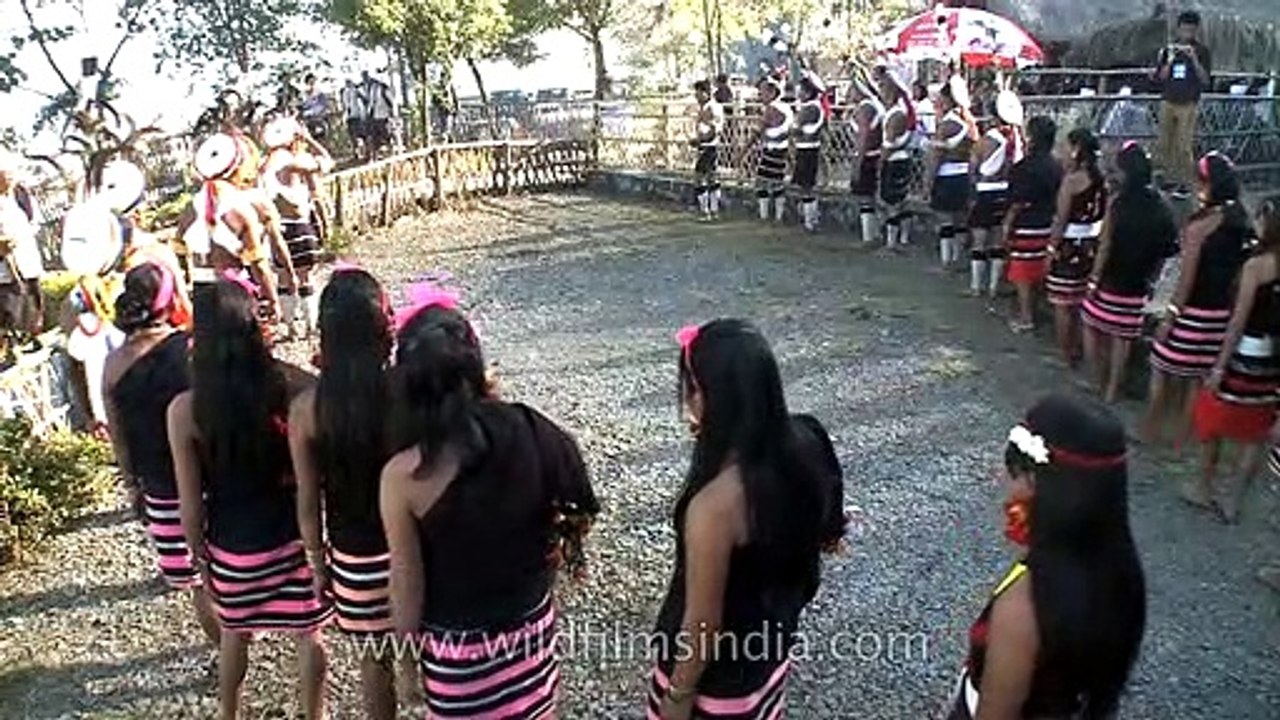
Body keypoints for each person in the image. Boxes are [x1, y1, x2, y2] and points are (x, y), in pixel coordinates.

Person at [379, 296, 598, 719]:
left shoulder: (404, 476)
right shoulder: (533, 427)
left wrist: (406, 664)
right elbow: (576, 507)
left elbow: (407, 582)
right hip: (532, 633)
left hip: (458, 661)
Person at [648, 319, 845, 720]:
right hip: (769, 657)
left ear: (706, 395)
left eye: (692, 389)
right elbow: (829, 527)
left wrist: (678, 696)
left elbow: (703, 622)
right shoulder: (807, 437)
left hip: (716, 689)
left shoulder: (715, 507)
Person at [168, 277, 332, 720]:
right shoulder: (290, 385)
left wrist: (199, 555)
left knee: (234, 637)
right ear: (253, 325)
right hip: (293, 535)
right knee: (309, 635)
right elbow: (326, 405)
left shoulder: (186, 409)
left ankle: (230, 713)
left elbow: (190, 498)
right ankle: (313, 714)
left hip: (232, 546)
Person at [947, 394, 1146, 720]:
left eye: (1011, 470)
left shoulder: (1024, 605)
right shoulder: (1120, 571)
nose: (1001, 478)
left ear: (1033, 482)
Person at [289, 267, 399, 718]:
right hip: (421, 548)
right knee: (442, 655)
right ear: (382, 328)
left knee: (375, 662)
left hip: (355, 559)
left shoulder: (306, 408)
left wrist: (318, 563)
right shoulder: (406, 390)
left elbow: (307, 499)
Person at [103, 262, 220, 646]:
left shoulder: (113, 364)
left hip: (162, 489)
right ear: (170, 298)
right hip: (216, 479)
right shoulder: (191, 347)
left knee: (197, 581)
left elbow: (119, 438)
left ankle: (225, 651)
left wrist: (132, 486)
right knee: (231, 564)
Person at [1145, 152, 1251, 450]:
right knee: (1195, 379)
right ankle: (1182, 439)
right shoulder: (1241, 220)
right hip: (1221, 316)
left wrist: (1170, 316)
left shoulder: (1199, 227)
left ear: (1208, 184)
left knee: (1161, 368)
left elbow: (1186, 278)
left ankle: (1151, 430)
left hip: (1192, 313)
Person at [1190, 200, 1280, 523]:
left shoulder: (1255, 267)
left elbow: (1237, 322)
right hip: (1272, 362)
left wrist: (1218, 366)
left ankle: (1203, 487)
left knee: (1212, 419)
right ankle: (1234, 501)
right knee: (1255, 432)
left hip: (1244, 355)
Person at [1082, 143, 1178, 403]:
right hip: (1138, 282)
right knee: (1122, 338)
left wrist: (1093, 280)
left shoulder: (1118, 203)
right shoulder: (1162, 207)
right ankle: (1112, 388)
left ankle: (1097, 379)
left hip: (1110, 278)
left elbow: (1105, 245)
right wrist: (1153, 280)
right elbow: (1166, 252)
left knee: (1092, 325)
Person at [179, 133, 287, 318]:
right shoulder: (240, 210)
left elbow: (180, 251)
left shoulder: (189, 210)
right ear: (238, 168)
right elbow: (258, 264)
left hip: (202, 295)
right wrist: (272, 300)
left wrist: (189, 281)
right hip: (234, 293)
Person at [261, 118, 333, 339]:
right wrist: (310, 140)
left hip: (276, 227)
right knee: (305, 277)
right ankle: (310, 326)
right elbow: (327, 163)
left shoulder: (264, 164)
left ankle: (291, 327)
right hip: (298, 225)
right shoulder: (292, 162)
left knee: (284, 277)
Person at [1046, 128, 1108, 366]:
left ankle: (1066, 353)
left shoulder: (1071, 181)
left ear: (1075, 150)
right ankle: (1084, 350)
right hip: (1092, 243)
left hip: (1069, 245)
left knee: (1063, 304)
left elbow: (1061, 219)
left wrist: (1051, 248)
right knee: (1084, 301)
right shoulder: (1102, 179)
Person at [1003, 116, 1062, 333]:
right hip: (1049, 224)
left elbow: (1017, 202)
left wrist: (1007, 226)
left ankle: (1026, 317)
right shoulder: (1058, 167)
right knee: (1038, 271)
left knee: (1022, 273)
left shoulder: (1022, 168)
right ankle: (1032, 312)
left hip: (1026, 224)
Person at [967, 90, 1023, 300]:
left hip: (986, 193)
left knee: (979, 241)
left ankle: (976, 287)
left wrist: (972, 193)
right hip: (1007, 192)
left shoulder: (984, 142)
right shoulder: (1018, 140)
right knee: (998, 243)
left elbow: (972, 170)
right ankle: (992, 288)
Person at [1154, 10, 1212, 194]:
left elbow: (1205, 80)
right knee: (1164, 142)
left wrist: (1194, 58)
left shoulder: (1202, 51)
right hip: (1168, 101)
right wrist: (1170, 60)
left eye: (1191, 30)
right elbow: (1160, 77)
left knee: (1184, 145)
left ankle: (1185, 183)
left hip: (1188, 103)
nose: (1187, 33)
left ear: (1196, 30)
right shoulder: (1167, 50)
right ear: (1178, 29)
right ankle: (1166, 179)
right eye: (1184, 29)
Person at [928, 76, 977, 271]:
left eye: (939, 98)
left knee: (945, 219)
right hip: (964, 175)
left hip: (947, 176)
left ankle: (947, 260)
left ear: (947, 100)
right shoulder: (969, 123)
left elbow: (936, 158)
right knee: (960, 219)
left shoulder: (947, 125)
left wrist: (928, 181)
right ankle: (957, 259)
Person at [0, 150, 44, 365]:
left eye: (10, 174)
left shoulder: (21, 196)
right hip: (7, 270)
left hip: (29, 261)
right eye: (4, 174)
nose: (8, 178)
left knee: (35, 304)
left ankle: (34, 338)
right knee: (13, 309)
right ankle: (13, 349)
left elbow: (33, 225)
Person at [877, 67, 916, 251]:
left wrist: (881, 163)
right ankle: (902, 238)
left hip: (895, 161)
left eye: (883, 88)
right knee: (898, 200)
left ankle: (893, 242)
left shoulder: (896, 114)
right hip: (898, 159)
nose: (881, 92)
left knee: (893, 201)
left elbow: (889, 144)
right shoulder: (896, 112)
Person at [847, 68, 885, 246]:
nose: (849, 92)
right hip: (872, 154)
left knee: (865, 197)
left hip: (868, 156)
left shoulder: (866, 108)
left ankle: (869, 237)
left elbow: (863, 137)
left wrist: (857, 163)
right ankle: (872, 233)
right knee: (868, 197)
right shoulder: (873, 104)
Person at [755, 77, 793, 224]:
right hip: (782, 150)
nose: (760, 96)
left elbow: (757, 132)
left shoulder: (772, 108)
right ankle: (778, 216)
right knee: (777, 183)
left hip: (772, 151)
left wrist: (742, 152)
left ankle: (765, 216)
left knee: (761, 183)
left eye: (762, 92)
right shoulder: (787, 108)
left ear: (771, 93)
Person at [690, 80, 725, 222]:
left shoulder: (712, 107)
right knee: (711, 178)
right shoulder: (705, 107)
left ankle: (707, 211)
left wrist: (701, 140)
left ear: (706, 93)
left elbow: (716, 129)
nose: (696, 96)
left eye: (698, 93)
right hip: (706, 145)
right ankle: (712, 211)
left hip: (709, 146)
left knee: (700, 178)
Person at [300, 74, 330, 140]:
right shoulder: (304, 95)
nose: (311, 84)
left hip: (319, 120)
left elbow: (323, 105)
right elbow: (303, 107)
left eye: (312, 82)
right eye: (309, 82)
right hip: (309, 122)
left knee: (321, 139)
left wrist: (314, 113)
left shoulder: (319, 93)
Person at [342, 79, 367, 156]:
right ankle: (357, 153)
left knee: (361, 135)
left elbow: (364, 99)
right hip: (351, 116)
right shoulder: (345, 92)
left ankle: (364, 152)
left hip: (357, 115)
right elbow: (345, 105)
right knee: (354, 136)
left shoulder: (355, 90)